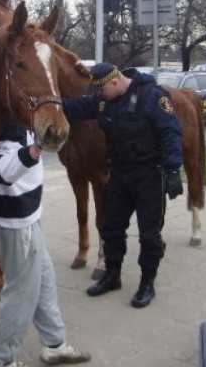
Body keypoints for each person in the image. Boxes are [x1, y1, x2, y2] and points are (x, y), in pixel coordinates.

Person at [62, 63, 184, 309]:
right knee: (111, 228)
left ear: (115, 82)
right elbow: (76, 107)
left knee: (149, 234)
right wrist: (46, 100)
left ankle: (147, 283)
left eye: (101, 90)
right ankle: (113, 275)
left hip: (150, 175)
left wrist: (173, 171)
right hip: (120, 173)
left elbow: (171, 133)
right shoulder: (104, 101)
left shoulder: (153, 97)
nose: (98, 95)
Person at [0, 119, 92, 367]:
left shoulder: (22, 121)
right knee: (21, 292)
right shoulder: (8, 133)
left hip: (24, 218)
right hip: (16, 224)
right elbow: (0, 171)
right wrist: (35, 149)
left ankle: (54, 344)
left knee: (44, 279)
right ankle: (1, 359)